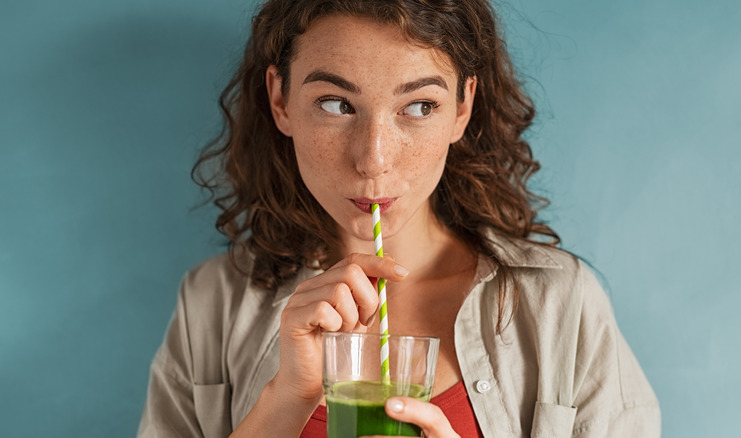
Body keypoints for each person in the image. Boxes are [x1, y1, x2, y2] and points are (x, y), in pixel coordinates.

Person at [138, 0, 661, 436]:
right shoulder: (211, 305)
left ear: (462, 107)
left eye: (419, 106)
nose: (373, 159)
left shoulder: (561, 305)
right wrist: (284, 401)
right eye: (336, 104)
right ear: (280, 100)